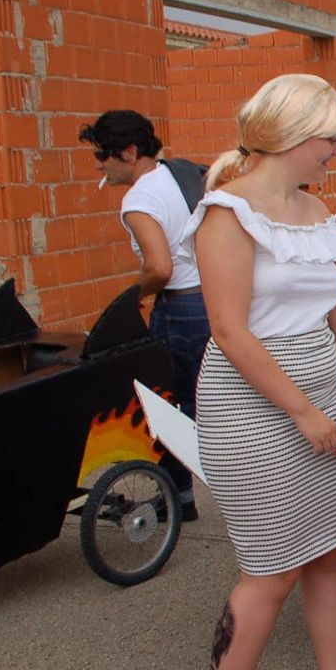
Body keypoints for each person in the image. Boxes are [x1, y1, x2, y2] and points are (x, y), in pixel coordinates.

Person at [181, 73, 336, 670]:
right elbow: (231, 332)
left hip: (323, 404)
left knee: (327, 552)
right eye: (331, 139)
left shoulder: (316, 212)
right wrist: (305, 412)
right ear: (294, 136)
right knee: (271, 570)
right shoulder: (226, 214)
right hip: (259, 409)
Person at [79, 110, 207, 523]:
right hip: (211, 300)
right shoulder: (177, 174)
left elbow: (160, 267)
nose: (99, 164)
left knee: (170, 407)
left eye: (103, 155)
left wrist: (131, 296)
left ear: (129, 152)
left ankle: (179, 498)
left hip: (181, 308)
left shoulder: (137, 199)